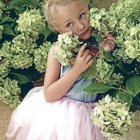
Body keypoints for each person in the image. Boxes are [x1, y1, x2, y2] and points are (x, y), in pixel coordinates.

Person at [6, 0, 115, 140]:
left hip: (93, 117)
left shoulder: (99, 42)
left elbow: (106, 84)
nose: (81, 25)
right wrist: (76, 70)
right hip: (65, 119)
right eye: (69, 24)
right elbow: (49, 95)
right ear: (59, 30)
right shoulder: (57, 51)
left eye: (82, 15)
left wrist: (106, 53)